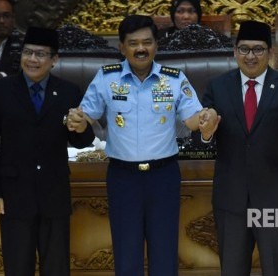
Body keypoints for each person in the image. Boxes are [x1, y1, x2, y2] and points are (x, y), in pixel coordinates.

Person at [73, 15, 216, 276]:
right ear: (122, 47)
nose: (141, 49)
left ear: (156, 46)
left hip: (163, 176)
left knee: (164, 251)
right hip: (122, 177)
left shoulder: (173, 79)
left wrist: (206, 119)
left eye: (147, 42)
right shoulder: (106, 78)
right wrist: (76, 120)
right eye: (134, 43)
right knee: (126, 253)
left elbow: (193, 118)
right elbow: (86, 116)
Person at [200, 20, 278, 275]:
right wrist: (206, 134)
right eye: (244, 49)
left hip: (275, 197)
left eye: (258, 49)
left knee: (276, 269)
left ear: (271, 52)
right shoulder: (217, 87)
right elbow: (202, 136)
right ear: (234, 52)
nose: (251, 56)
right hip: (232, 197)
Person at [0, 26, 95, 276]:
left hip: (54, 194)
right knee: (17, 267)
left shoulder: (68, 91)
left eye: (41, 54)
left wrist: (81, 126)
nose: (32, 59)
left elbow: (81, 142)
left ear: (54, 59)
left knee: (56, 267)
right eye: (28, 52)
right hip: (14, 195)